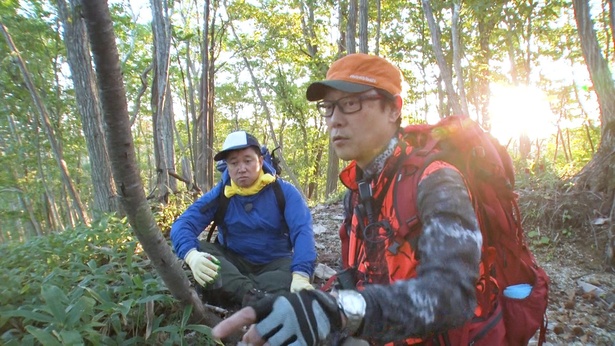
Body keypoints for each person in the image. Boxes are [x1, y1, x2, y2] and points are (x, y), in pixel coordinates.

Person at [212, 53, 498, 345]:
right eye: (329, 107)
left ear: (393, 109)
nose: (335, 120)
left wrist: (340, 311)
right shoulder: (361, 189)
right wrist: (305, 303)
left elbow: (453, 296)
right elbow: (356, 279)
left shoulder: (437, 180)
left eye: (350, 103)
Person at [170, 130, 316, 308]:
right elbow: (183, 224)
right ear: (227, 167)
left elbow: (303, 231)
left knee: (295, 270)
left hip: (275, 264)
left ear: (260, 161)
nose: (241, 168)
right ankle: (260, 298)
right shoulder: (221, 194)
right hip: (233, 262)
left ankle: (240, 295)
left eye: (248, 161)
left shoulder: (284, 192)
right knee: (201, 249)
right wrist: (192, 256)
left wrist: (301, 274)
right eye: (234, 163)